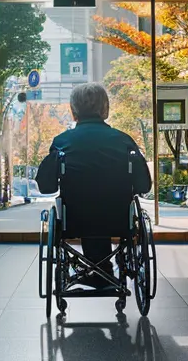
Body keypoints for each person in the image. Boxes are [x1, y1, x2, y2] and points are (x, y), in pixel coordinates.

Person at [36, 83, 151, 291]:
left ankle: (96, 271)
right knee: (106, 208)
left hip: (75, 219)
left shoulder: (62, 142)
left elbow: (46, 186)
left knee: (84, 207)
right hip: (117, 218)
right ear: (105, 109)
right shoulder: (124, 141)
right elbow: (144, 185)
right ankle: (104, 271)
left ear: (73, 110)